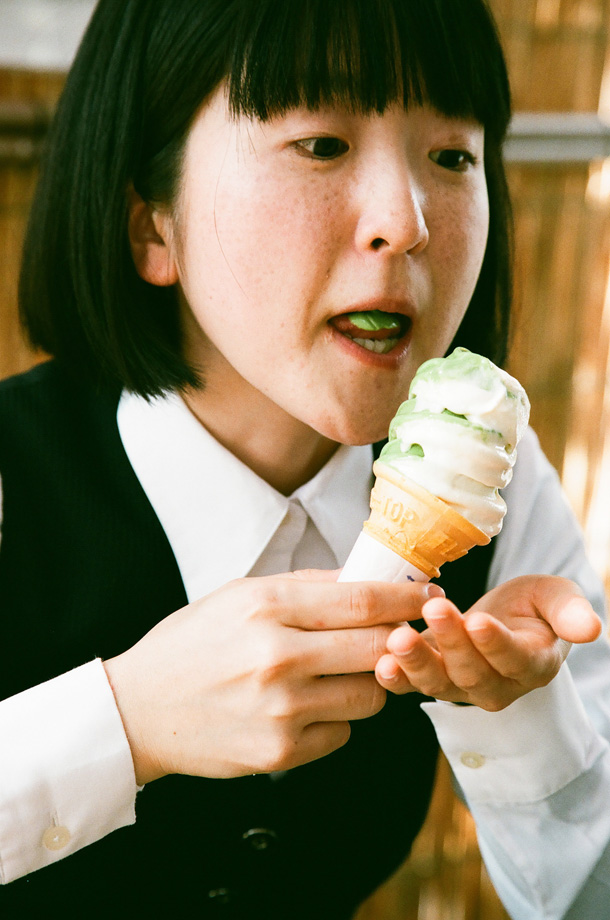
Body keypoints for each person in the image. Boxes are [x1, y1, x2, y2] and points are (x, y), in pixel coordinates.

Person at [1, 0, 610, 917]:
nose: (405, 222)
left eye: (453, 157)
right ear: (152, 225)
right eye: (322, 144)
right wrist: (127, 722)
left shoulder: (497, 487)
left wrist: (526, 714)